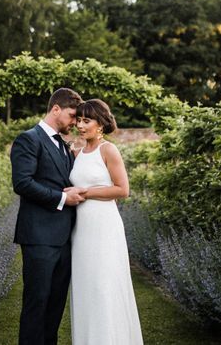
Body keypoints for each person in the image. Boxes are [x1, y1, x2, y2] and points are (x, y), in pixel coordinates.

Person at [11, 87, 86, 345]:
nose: (75, 122)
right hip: (39, 236)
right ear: (56, 109)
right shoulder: (28, 139)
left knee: (55, 306)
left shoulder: (64, 145)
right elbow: (22, 183)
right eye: (72, 115)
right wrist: (63, 198)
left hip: (64, 238)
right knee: (37, 303)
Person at [69, 99, 144, 344]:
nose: (80, 125)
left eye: (86, 120)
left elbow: (122, 190)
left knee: (103, 287)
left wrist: (85, 193)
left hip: (104, 227)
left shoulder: (108, 150)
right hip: (80, 230)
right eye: (78, 120)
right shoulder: (77, 153)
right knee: (86, 287)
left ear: (100, 123)